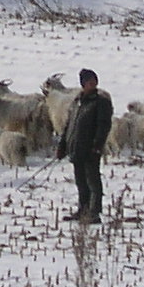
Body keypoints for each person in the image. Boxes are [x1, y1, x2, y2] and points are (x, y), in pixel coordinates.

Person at [55, 67, 113, 223]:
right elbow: (70, 125)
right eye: (89, 81)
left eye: (94, 80)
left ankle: (94, 213)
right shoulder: (77, 102)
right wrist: (63, 145)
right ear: (83, 83)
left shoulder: (101, 102)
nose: (92, 83)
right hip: (76, 148)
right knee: (81, 182)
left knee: (93, 181)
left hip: (91, 148)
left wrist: (97, 145)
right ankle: (83, 210)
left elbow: (104, 125)